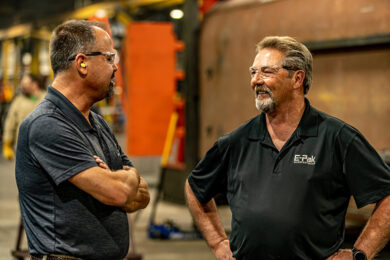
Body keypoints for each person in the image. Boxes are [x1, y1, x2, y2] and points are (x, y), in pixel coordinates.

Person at [185, 36, 390, 260]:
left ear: (297, 79)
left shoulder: (337, 138)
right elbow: (196, 187)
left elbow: (387, 196)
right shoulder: (236, 141)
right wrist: (217, 243)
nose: (256, 80)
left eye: (267, 72)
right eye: (253, 72)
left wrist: (360, 253)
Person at [15, 20, 150, 260]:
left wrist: (115, 181)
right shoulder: (47, 124)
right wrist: (125, 178)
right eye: (109, 58)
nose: (115, 67)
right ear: (82, 62)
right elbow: (120, 193)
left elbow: (141, 195)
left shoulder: (98, 124)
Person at [2, 73, 45, 160]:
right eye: (22, 84)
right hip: (22, 149)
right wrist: (7, 142)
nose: (22, 86)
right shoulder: (18, 101)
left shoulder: (46, 98)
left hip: (43, 148)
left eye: (25, 84)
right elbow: (10, 122)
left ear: (34, 84)